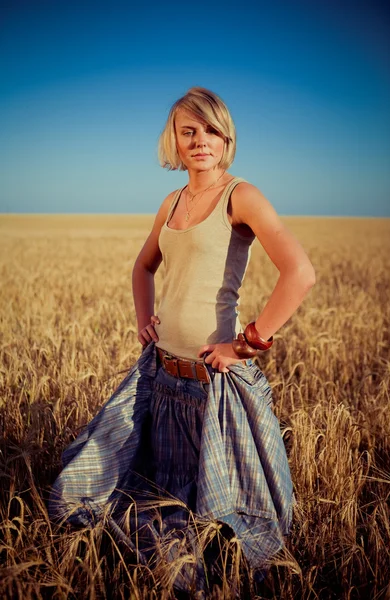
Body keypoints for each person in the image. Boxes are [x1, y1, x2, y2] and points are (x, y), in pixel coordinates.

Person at [49, 87, 315, 595]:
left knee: (228, 534)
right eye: (188, 131)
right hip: (161, 379)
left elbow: (300, 272)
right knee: (109, 493)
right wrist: (144, 317)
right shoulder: (171, 201)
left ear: (227, 137)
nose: (200, 141)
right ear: (173, 138)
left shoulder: (241, 195)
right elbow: (143, 266)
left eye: (211, 130)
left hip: (214, 388)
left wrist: (246, 344)